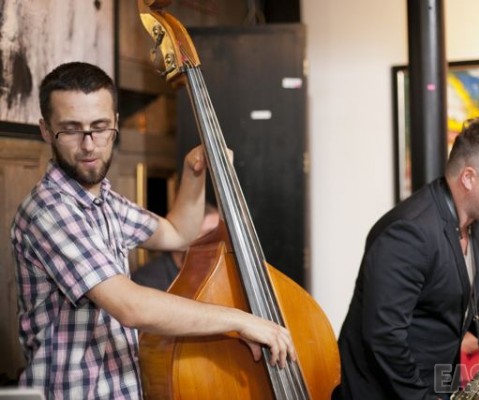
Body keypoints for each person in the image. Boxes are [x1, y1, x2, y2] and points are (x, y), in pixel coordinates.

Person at [10, 62, 296, 399]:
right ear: (46, 131)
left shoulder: (106, 202)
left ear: (116, 123)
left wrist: (193, 173)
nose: (89, 144)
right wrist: (240, 319)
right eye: (71, 130)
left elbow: (177, 233)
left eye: (100, 127)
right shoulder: (50, 210)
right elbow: (131, 307)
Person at [334, 116, 479, 399]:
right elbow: (384, 339)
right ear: (468, 178)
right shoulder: (408, 233)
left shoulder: (476, 226)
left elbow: (465, 298)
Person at [132, 203, 220, 291]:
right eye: (210, 234)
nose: (219, 243)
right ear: (187, 234)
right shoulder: (146, 281)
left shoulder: (212, 275)